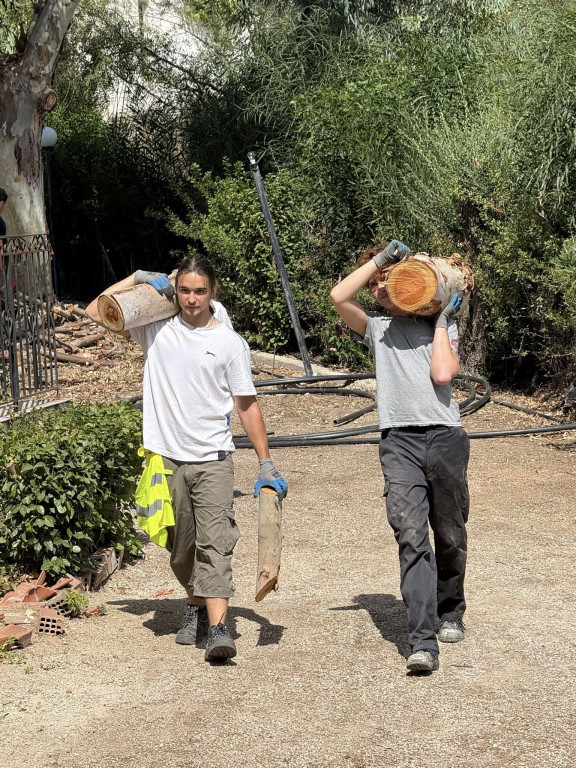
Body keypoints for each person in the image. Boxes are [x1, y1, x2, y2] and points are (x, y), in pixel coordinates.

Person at [86, 257, 287, 661]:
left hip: (212, 457)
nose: (191, 299)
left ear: (212, 293)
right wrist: (137, 278)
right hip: (166, 459)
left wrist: (266, 462)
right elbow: (96, 311)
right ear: (174, 292)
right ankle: (195, 605)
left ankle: (218, 629)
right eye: (184, 290)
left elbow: (247, 406)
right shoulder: (155, 329)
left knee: (216, 542)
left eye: (200, 291)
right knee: (181, 547)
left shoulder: (228, 343)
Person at [330, 240, 470, 674]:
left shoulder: (440, 326)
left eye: (386, 284)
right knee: (411, 536)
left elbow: (443, 373)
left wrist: (443, 321)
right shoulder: (377, 329)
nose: (380, 291)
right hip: (399, 442)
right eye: (374, 286)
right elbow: (338, 296)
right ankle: (422, 642)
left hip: (445, 437)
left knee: (449, 534)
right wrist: (380, 261)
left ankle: (451, 610)